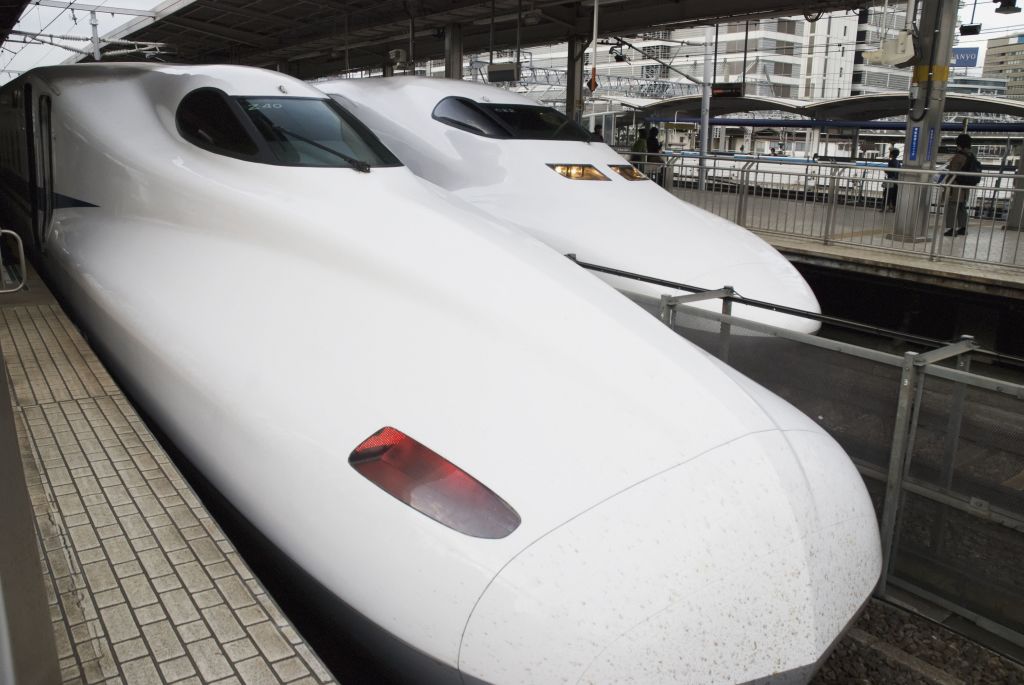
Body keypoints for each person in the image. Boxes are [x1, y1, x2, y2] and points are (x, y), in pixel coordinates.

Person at [942, 133, 977, 237]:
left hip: (955, 186)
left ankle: (951, 229)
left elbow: (953, 171)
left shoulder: (959, 156)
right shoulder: (971, 156)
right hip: (965, 187)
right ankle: (963, 228)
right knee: (962, 207)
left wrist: (948, 166)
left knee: (952, 206)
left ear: (959, 143)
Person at [881, 147, 900, 212]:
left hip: (890, 180)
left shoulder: (891, 161)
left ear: (891, 154)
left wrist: (885, 170)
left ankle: (885, 207)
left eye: (890, 153)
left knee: (887, 194)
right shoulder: (898, 162)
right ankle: (894, 207)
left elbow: (889, 170)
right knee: (894, 195)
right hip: (896, 181)